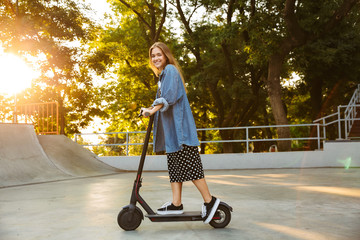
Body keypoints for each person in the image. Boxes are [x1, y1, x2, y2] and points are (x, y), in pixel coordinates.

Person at [141, 42, 220, 224]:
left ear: (166, 55)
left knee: (191, 167)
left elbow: (169, 96)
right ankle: (176, 203)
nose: (156, 58)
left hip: (180, 131)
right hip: (172, 134)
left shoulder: (170, 70)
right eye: (153, 56)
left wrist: (152, 110)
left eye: (159, 54)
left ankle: (210, 201)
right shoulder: (162, 76)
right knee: (175, 169)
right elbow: (161, 99)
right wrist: (150, 108)